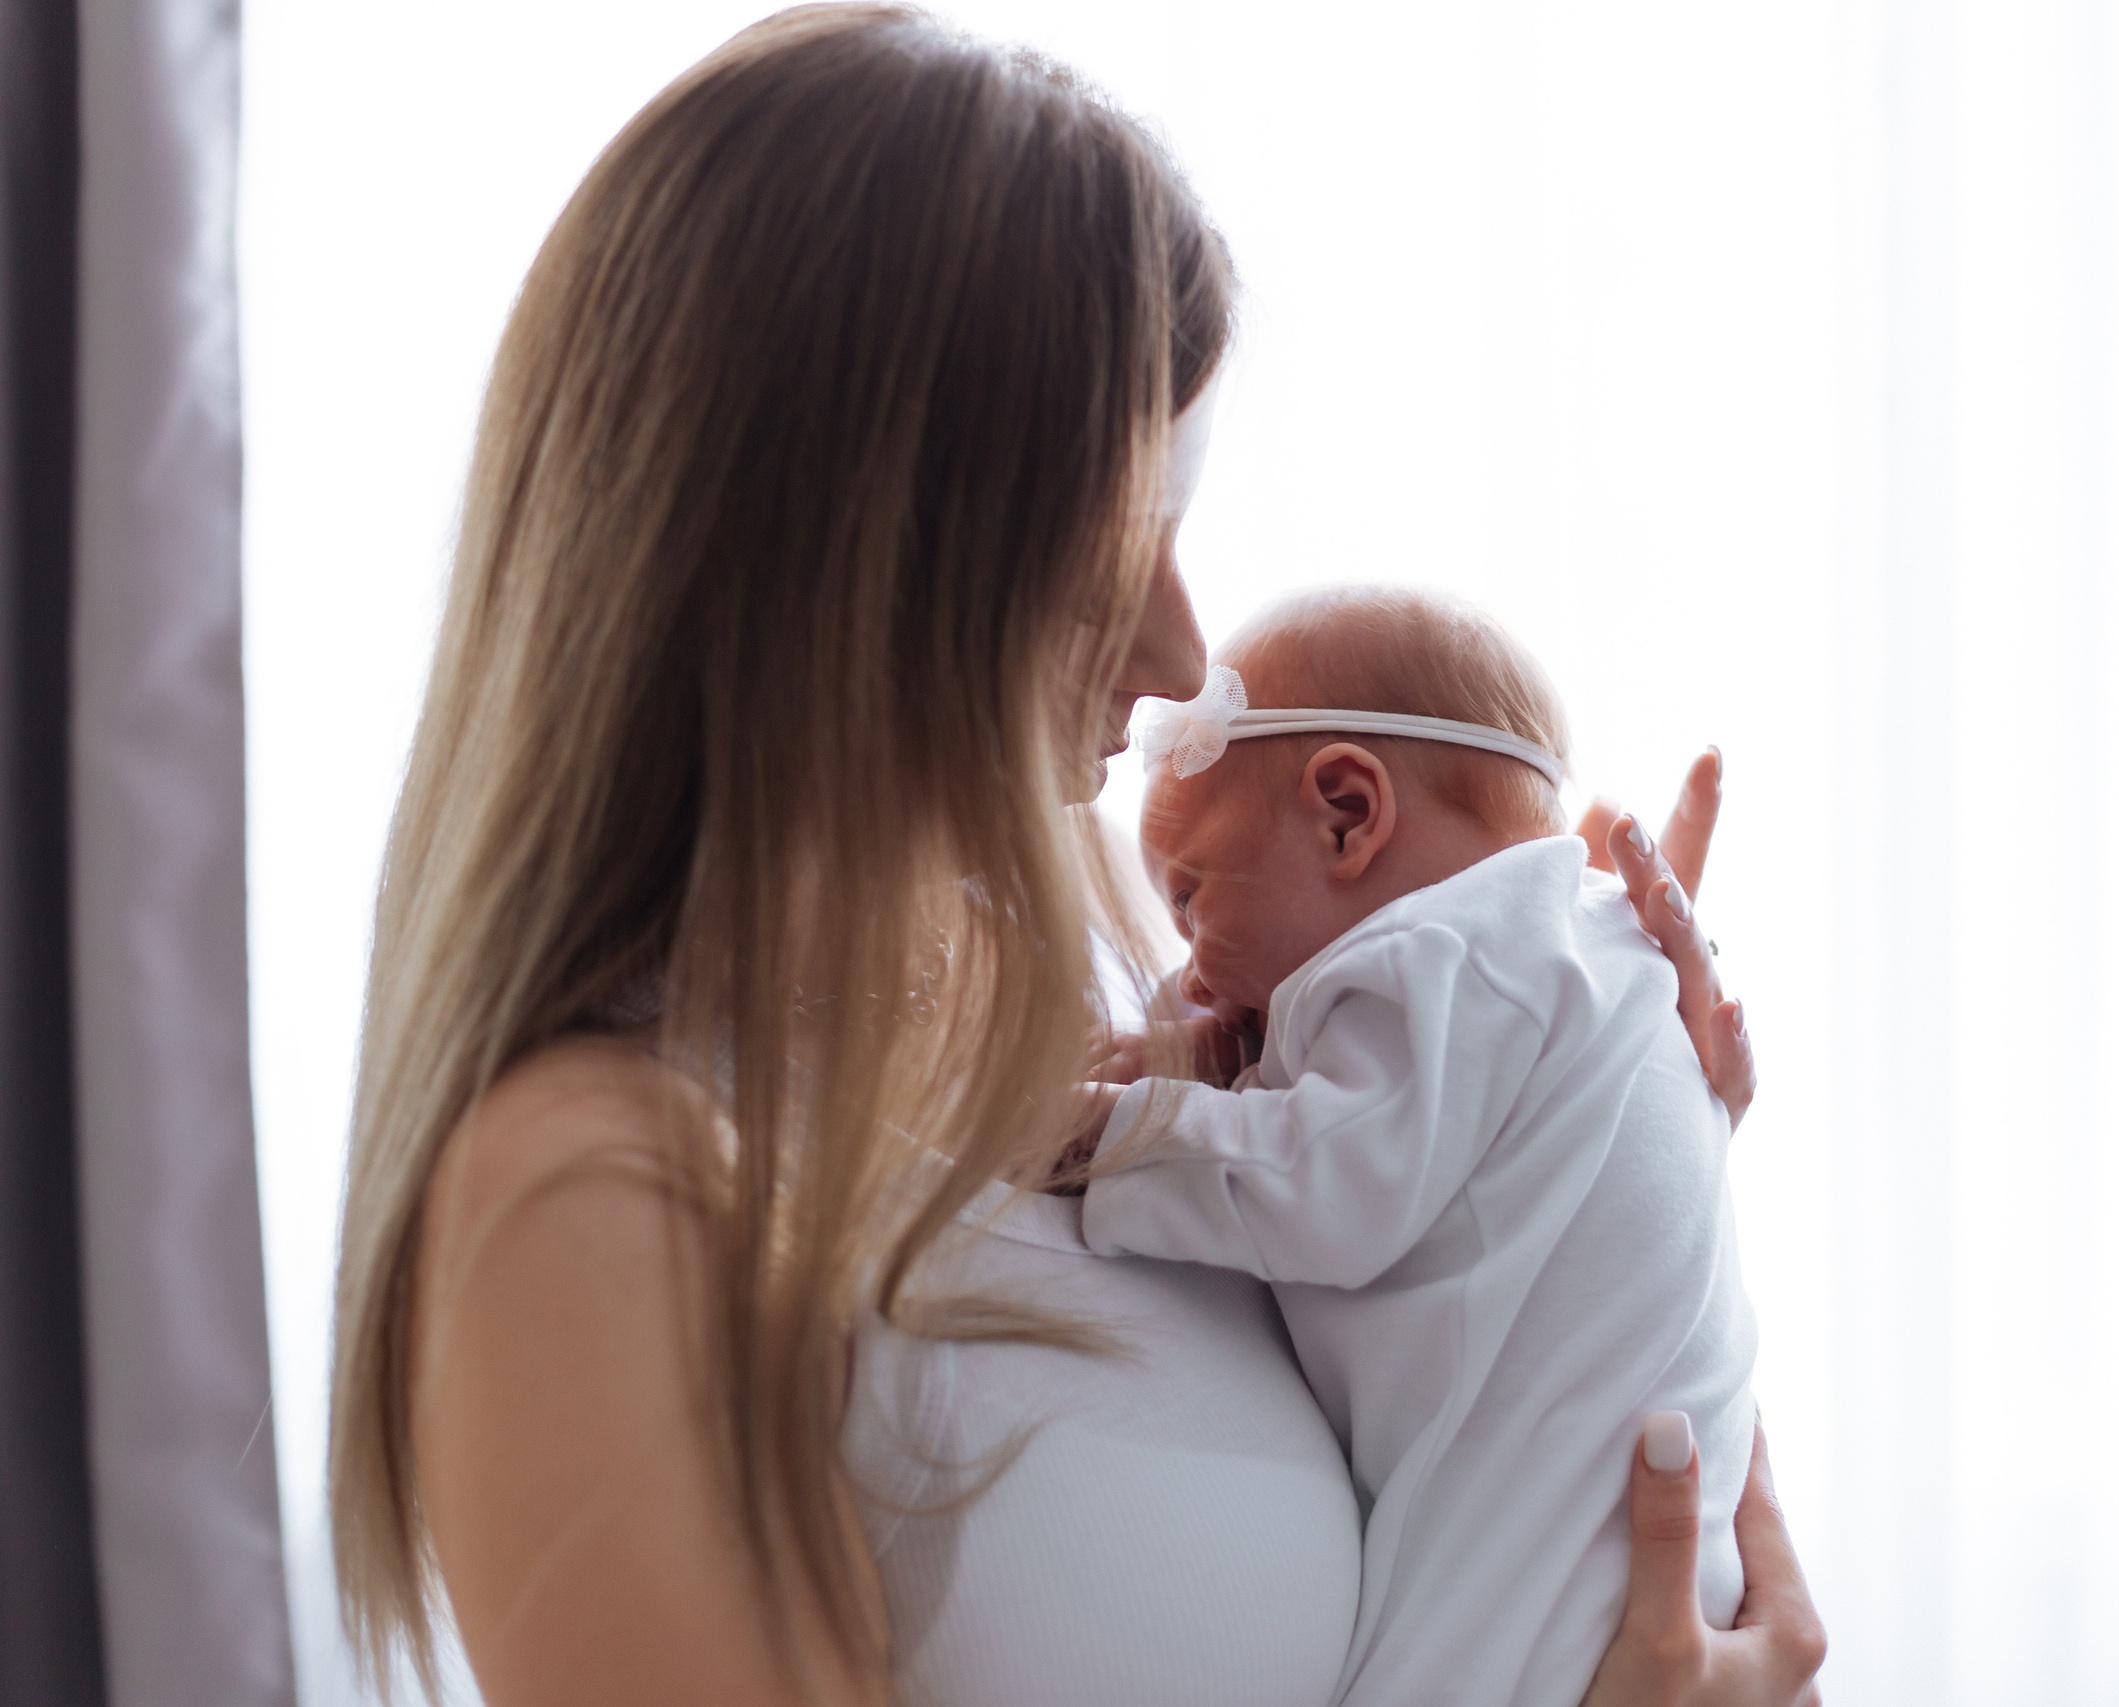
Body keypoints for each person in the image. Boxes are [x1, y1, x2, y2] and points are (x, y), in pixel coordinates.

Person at [324, 7, 1827, 1706]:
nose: (1185, 653)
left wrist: (1590, 1083)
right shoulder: (590, 1194)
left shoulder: (1113, 941)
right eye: (1118, 537)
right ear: (859, 560)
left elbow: (1450, 1354)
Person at [1064, 585, 1760, 1707]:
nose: (1189, 969)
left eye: (1189, 900)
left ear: (1347, 812)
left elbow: (1321, 1182)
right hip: (1621, 1562)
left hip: (1563, 1586)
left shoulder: (1449, 955)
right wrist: (1189, 1055)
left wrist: (1098, 1128)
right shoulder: (1554, 948)